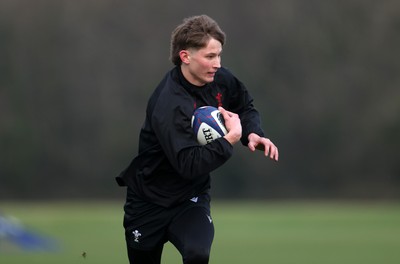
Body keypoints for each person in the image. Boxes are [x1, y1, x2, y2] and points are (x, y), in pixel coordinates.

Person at [116, 14, 279, 264]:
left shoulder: (220, 79)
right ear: (185, 56)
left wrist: (252, 133)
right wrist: (230, 138)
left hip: (190, 198)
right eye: (210, 56)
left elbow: (244, 106)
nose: (217, 63)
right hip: (148, 202)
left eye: (219, 55)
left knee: (197, 254)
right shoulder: (169, 103)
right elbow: (188, 164)